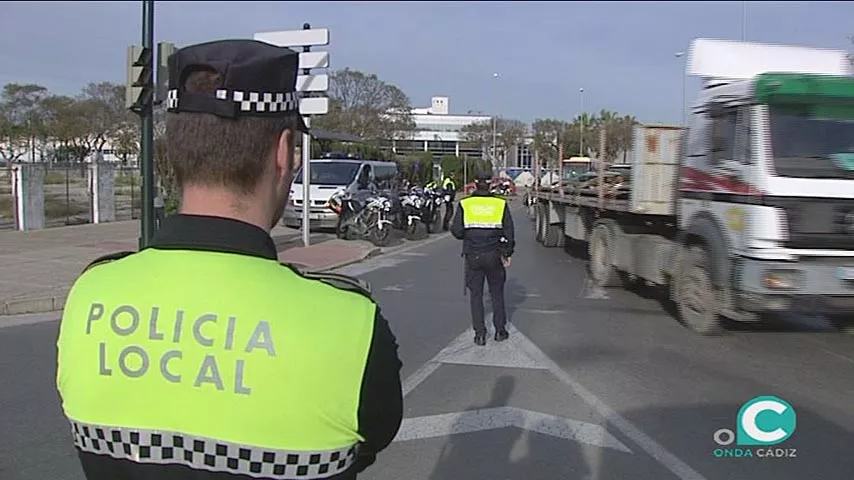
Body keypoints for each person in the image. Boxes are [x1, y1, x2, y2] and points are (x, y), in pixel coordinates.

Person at [56, 39, 403, 480]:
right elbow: (371, 441)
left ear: (174, 152)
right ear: (284, 153)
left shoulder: (90, 294)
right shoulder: (352, 322)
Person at [450, 169, 515, 346]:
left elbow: (456, 231)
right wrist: (507, 253)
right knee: (497, 293)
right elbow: (509, 231)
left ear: (475, 183)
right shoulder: (500, 204)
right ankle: (500, 331)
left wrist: (469, 236)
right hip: (494, 255)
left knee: (476, 296)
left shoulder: (465, 204)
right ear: (491, 183)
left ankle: (479, 335)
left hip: (473, 256)